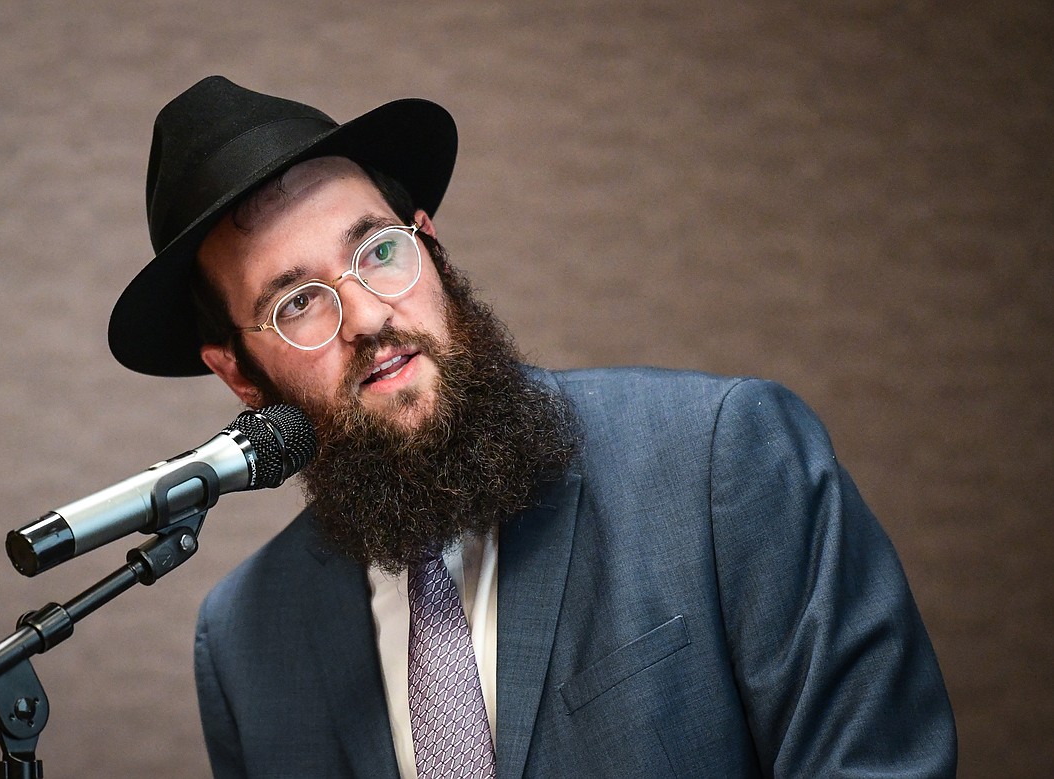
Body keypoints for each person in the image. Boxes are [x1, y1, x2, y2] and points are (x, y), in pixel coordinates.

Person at [108, 76, 957, 778]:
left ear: (429, 246)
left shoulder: (720, 459)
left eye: (377, 252)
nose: (367, 314)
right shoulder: (248, 638)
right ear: (238, 374)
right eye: (298, 304)